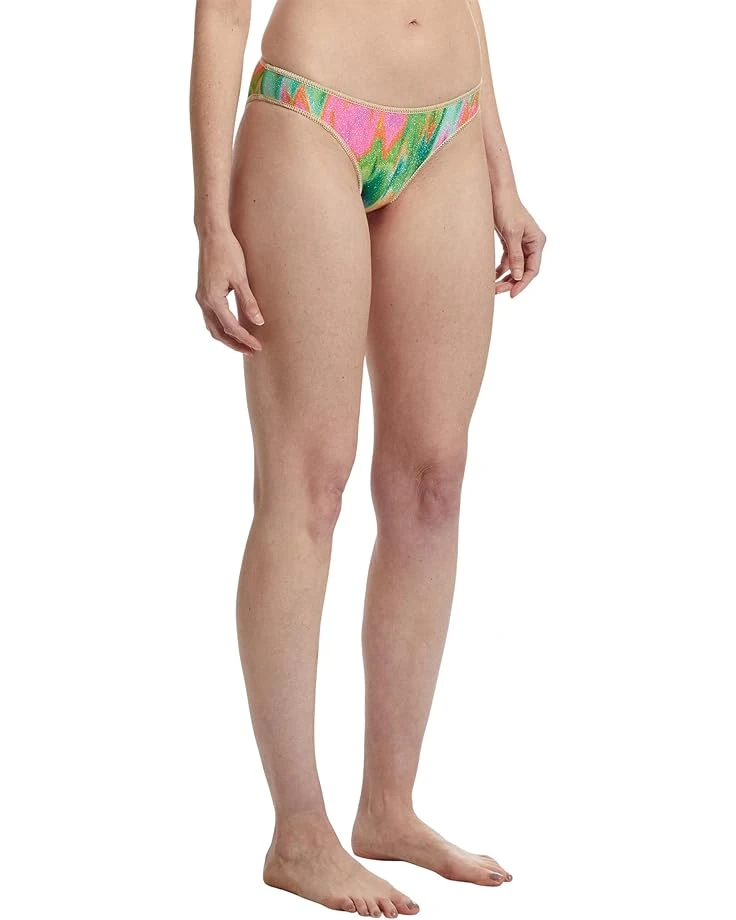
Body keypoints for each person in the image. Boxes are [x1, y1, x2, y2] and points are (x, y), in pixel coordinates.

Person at [189, 1, 546, 915]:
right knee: (308, 484)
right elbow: (223, 14)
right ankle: (298, 834)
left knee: (432, 482)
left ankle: (389, 807)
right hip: (310, 119)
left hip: (451, 127)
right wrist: (211, 224)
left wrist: (503, 176)